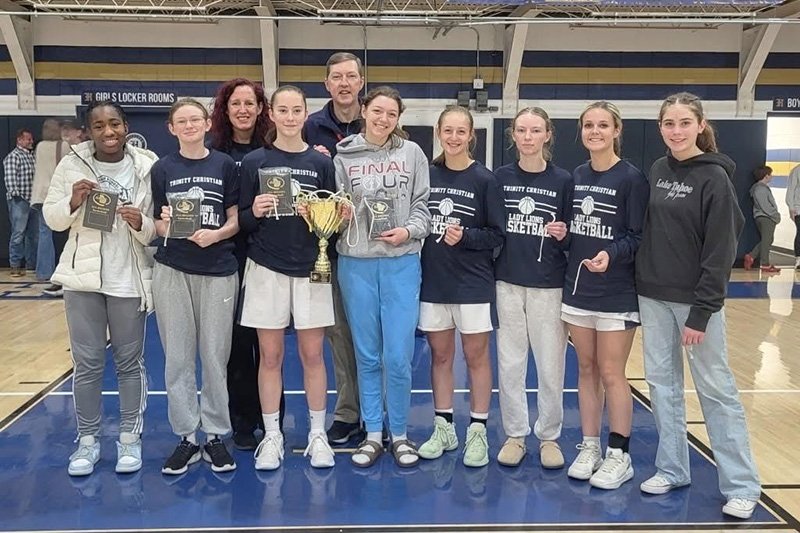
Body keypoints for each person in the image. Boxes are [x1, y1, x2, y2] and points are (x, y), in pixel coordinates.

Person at [636, 92, 761, 520]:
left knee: (716, 390)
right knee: (662, 386)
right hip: (653, 296)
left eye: (685, 123)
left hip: (694, 302)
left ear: (701, 125)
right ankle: (672, 469)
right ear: (660, 128)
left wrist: (702, 311)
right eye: (669, 123)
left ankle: (741, 485)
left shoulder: (715, 178)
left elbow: (721, 249)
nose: (676, 131)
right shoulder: (658, 169)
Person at [42, 100, 156, 476]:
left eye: (114, 124)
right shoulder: (71, 163)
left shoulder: (147, 165)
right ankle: (88, 441)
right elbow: (53, 218)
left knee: (129, 363)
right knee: (88, 364)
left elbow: (156, 227)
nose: (108, 132)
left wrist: (140, 223)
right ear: (88, 131)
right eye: (99, 126)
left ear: (126, 127)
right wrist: (73, 200)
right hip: (83, 279)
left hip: (129, 279)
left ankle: (129, 438)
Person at [238, 85, 337, 470]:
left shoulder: (321, 163)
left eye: (297, 110)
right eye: (283, 110)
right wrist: (255, 210)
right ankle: (273, 436)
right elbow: (242, 221)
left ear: (305, 114)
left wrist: (329, 217)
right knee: (271, 356)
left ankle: (317, 434)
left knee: (313, 355)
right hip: (266, 267)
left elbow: (332, 222)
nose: (291, 117)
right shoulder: (254, 161)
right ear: (272, 114)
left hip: (313, 267)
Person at [334, 85, 431, 468]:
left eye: (391, 113)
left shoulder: (412, 153)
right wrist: (339, 216)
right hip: (356, 263)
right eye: (377, 111)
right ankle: (374, 433)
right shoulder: (343, 156)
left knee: (398, 355)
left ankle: (401, 434)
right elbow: (337, 206)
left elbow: (422, 204)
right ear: (364, 110)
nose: (384, 119)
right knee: (367, 354)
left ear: (398, 118)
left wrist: (409, 231)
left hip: (401, 263)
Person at [562, 101, 649, 489]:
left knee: (612, 372)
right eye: (588, 125)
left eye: (602, 125)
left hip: (616, 292)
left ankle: (619, 454)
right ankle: (590, 446)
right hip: (579, 290)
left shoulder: (632, 178)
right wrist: (562, 233)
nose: (594, 131)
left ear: (617, 130)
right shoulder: (577, 175)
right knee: (586, 369)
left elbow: (638, 236)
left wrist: (610, 254)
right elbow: (577, 228)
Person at [151, 98, 240, 475]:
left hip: (218, 269)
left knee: (215, 357)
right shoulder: (162, 168)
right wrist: (169, 225)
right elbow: (158, 223)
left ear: (207, 124)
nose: (189, 126)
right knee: (178, 358)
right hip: (173, 269)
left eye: (195, 120)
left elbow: (235, 220)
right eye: (181, 121)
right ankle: (187, 436)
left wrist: (216, 234)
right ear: (172, 129)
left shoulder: (224, 165)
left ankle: (215, 434)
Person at [416, 105, 505, 468]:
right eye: (447, 131)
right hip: (434, 281)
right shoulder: (426, 175)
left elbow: (497, 235)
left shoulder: (485, 180)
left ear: (471, 136)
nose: (453, 138)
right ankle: (444, 427)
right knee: (440, 356)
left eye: (460, 131)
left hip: (472, 283)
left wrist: (466, 237)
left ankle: (478, 430)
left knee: (475, 357)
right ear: (438, 133)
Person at [493, 107, 573, 469]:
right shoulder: (500, 177)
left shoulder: (563, 180)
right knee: (510, 364)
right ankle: (515, 435)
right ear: (513, 135)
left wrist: (564, 234)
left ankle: (549, 437)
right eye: (522, 130)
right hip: (507, 282)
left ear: (547, 135)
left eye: (535, 130)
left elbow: (573, 234)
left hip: (548, 285)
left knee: (550, 365)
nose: (528, 137)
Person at [209, 77, 280, 451]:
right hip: (226, 258)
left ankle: (272, 420)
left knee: (268, 345)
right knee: (236, 344)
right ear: (225, 109)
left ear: (260, 108)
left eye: (249, 103)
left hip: (266, 255)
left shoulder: (273, 150)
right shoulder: (213, 152)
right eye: (235, 103)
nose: (242, 110)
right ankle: (241, 420)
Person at [304, 51, 364, 445]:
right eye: (337, 77)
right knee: (338, 334)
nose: (344, 83)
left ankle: (376, 412)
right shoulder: (309, 128)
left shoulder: (380, 121)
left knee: (373, 337)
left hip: (371, 250)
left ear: (361, 82)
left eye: (350, 76)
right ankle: (347, 412)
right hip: (325, 248)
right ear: (327, 84)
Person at [44, 119, 85, 297]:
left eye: (69, 129)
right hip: (61, 199)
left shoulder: (42, 147)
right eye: (64, 129)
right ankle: (61, 279)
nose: (66, 133)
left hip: (52, 198)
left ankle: (56, 278)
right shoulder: (63, 148)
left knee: (52, 239)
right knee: (62, 240)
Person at [31, 119, 67, 284]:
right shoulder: (63, 146)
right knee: (62, 233)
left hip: (39, 195)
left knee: (44, 233)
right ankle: (60, 269)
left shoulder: (39, 146)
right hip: (55, 194)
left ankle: (43, 271)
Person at [3, 128, 37, 277]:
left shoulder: (31, 156)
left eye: (31, 139)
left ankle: (31, 265)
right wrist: (16, 196)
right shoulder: (13, 156)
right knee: (18, 234)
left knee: (32, 235)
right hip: (20, 200)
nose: (31, 141)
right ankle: (15, 265)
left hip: (32, 200)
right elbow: (10, 179)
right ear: (19, 140)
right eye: (28, 139)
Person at [744, 165, 781, 273]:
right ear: (766, 176)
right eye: (770, 174)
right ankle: (765, 264)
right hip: (766, 217)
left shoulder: (760, 188)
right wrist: (775, 215)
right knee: (767, 240)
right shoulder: (760, 189)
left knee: (767, 240)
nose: (772, 176)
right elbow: (765, 206)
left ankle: (751, 256)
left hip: (764, 216)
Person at [784, 163, 800, 269]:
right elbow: (791, 190)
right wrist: (791, 208)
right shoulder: (796, 171)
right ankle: (799, 258)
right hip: (798, 209)